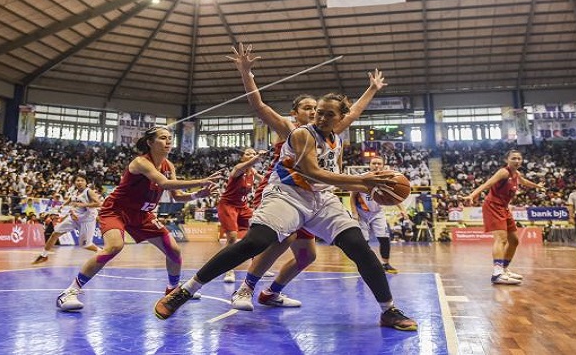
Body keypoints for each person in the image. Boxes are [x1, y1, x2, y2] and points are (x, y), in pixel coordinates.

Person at [155, 94, 418, 331]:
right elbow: (313, 173)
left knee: (358, 246)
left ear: (339, 118)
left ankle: (388, 310)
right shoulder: (303, 134)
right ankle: (186, 290)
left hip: (321, 199)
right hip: (287, 194)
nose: (322, 117)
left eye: (329, 114)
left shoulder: (336, 138)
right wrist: (365, 182)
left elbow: (333, 174)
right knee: (257, 241)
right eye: (319, 112)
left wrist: (371, 90)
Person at [228, 43, 386, 311]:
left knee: (306, 256)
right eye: (307, 108)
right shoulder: (289, 127)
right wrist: (247, 72)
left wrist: (371, 89)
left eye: (316, 107)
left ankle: (272, 292)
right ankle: (246, 288)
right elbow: (258, 104)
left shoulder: (328, 129)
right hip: (284, 191)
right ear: (295, 113)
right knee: (284, 238)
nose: (313, 112)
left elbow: (355, 112)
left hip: (314, 197)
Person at [55, 127, 223, 312]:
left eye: (170, 138)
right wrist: (202, 180)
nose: (168, 142)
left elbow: (176, 196)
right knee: (114, 246)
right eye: (162, 138)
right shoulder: (141, 162)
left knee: (174, 250)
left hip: (143, 215)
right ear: (150, 142)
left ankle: (173, 290)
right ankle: (69, 292)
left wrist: (197, 195)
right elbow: (164, 184)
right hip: (116, 211)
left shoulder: (169, 166)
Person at [463, 150, 544, 285]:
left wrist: (537, 186)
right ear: (507, 160)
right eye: (513, 158)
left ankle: (504, 269)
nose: (517, 161)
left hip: (504, 208)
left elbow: (524, 182)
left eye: (519, 158)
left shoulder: (516, 174)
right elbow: (487, 184)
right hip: (493, 206)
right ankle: (497, 273)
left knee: (514, 241)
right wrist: (472, 195)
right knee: (501, 239)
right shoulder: (503, 172)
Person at [217, 148, 266, 283]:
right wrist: (257, 157)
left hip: (243, 207)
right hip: (228, 206)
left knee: (257, 233)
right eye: (248, 153)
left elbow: (263, 179)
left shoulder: (252, 171)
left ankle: (258, 266)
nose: (251, 155)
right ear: (242, 157)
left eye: (253, 153)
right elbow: (248, 164)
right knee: (232, 238)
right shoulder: (238, 169)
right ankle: (228, 270)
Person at [350, 156, 403, 274]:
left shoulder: (388, 179)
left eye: (379, 163)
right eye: (374, 163)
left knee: (384, 238)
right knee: (364, 241)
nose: (376, 166)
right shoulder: (362, 178)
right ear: (370, 164)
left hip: (377, 212)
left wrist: (402, 209)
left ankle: (386, 264)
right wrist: (354, 213)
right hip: (361, 212)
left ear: (383, 165)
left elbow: (394, 196)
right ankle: (364, 265)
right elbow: (352, 196)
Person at [34, 175, 102, 264]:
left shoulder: (89, 192)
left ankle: (101, 251)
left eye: (82, 180)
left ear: (86, 182)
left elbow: (98, 203)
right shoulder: (74, 192)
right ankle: (44, 255)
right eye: (77, 180)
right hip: (73, 218)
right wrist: (63, 205)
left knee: (86, 245)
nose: (79, 182)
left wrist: (83, 205)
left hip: (86, 221)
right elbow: (70, 199)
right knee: (55, 234)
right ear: (75, 182)